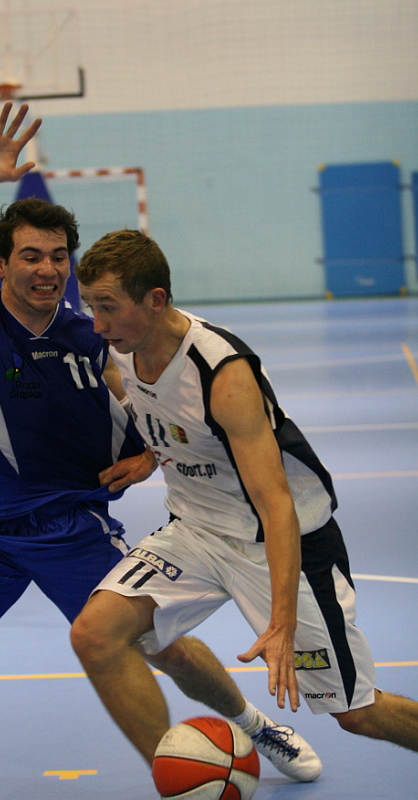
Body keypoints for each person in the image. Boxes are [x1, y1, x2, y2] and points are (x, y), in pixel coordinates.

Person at [0, 104, 321, 800]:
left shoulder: (92, 333)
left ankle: (251, 724)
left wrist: (151, 458)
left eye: (57, 257)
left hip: (72, 523)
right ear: (0, 264)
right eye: (30, 256)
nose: (47, 269)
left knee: (161, 646)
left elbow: (151, 414)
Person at [72, 228, 418, 776]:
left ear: (155, 299)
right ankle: (204, 759)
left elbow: (275, 503)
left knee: (358, 713)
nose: (97, 324)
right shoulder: (127, 349)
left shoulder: (221, 371)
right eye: (92, 306)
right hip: (196, 531)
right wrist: (152, 457)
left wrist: (280, 621)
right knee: (95, 635)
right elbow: (173, 422)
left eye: (108, 307)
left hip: (278, 540)